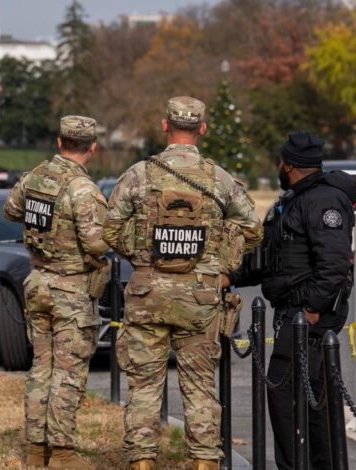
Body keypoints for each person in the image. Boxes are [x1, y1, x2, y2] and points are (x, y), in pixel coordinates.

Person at [104, 96, 263, 470]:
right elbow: (253, 229)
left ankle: (142, 461)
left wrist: (142, 256)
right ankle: (204, 463)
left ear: (165, 126)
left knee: (144, 386)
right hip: (201, 298)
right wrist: (221, 266)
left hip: (147, 295)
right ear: (202, 129)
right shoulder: (219, 179)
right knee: (199, 386)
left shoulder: (139, 175)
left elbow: (110, 228)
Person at [229, 131, 356, 469]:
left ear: (288, 164)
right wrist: (231, 276)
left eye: (279, 162)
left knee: (285, 396)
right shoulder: (294, 199)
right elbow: (271, 258)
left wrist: (311, 310)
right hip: (294, 314)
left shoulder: (323, 201)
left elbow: (334, 265)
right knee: (314, 402)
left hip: (307, 318)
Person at [4, 115, 109, 470]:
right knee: (67, 372)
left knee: (41, 369)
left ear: (59, 141)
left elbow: (11, 209)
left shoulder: (36, 177)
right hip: (71, 291)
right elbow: (96, 244)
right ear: (92, 147)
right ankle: (62, 454)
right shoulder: (82, 189)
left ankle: (35, 450)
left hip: (38, 284)